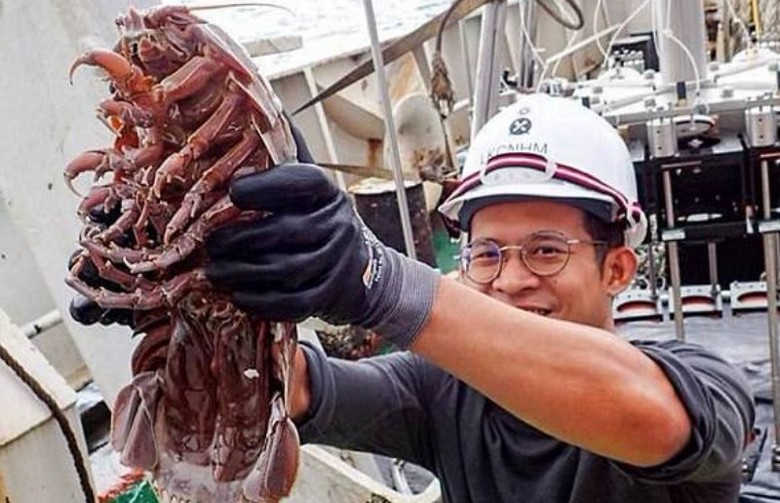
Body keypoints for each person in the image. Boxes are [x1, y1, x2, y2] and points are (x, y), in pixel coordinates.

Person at [74, 94, 756, 502]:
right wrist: (187, 287)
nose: (511, 278)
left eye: (546, 251)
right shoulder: (441, 392)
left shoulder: (709, 389)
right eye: (488, 253)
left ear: (618, 269)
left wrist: (380, 279)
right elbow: (303, 387)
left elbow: (654, 419)